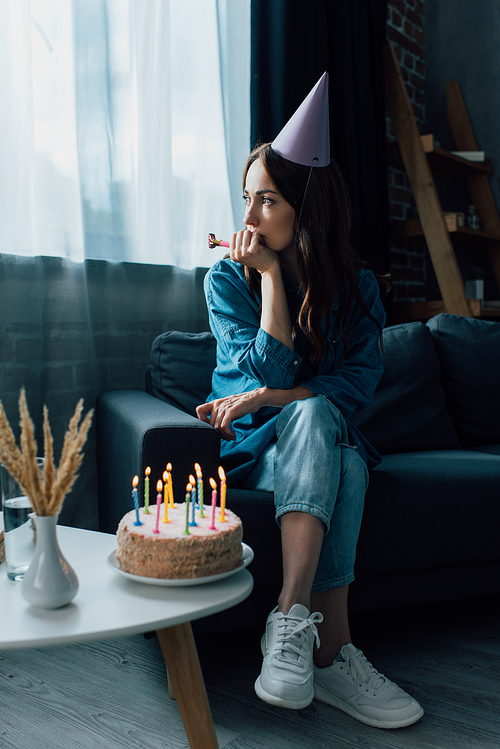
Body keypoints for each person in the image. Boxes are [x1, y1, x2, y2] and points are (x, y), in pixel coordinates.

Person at [196, 75, 423, 730]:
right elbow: (257, 371)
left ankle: (295, 624)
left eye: (265, 200)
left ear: (306, 205)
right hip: (251, 450)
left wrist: (279, 395)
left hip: (315, 442)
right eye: (245, 200)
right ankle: (331, 651)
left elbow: (355, 387)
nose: (246, 220)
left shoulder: (357, 291)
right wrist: (269, 277)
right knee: (334, 444)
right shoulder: (227, 280)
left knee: (328, 430)